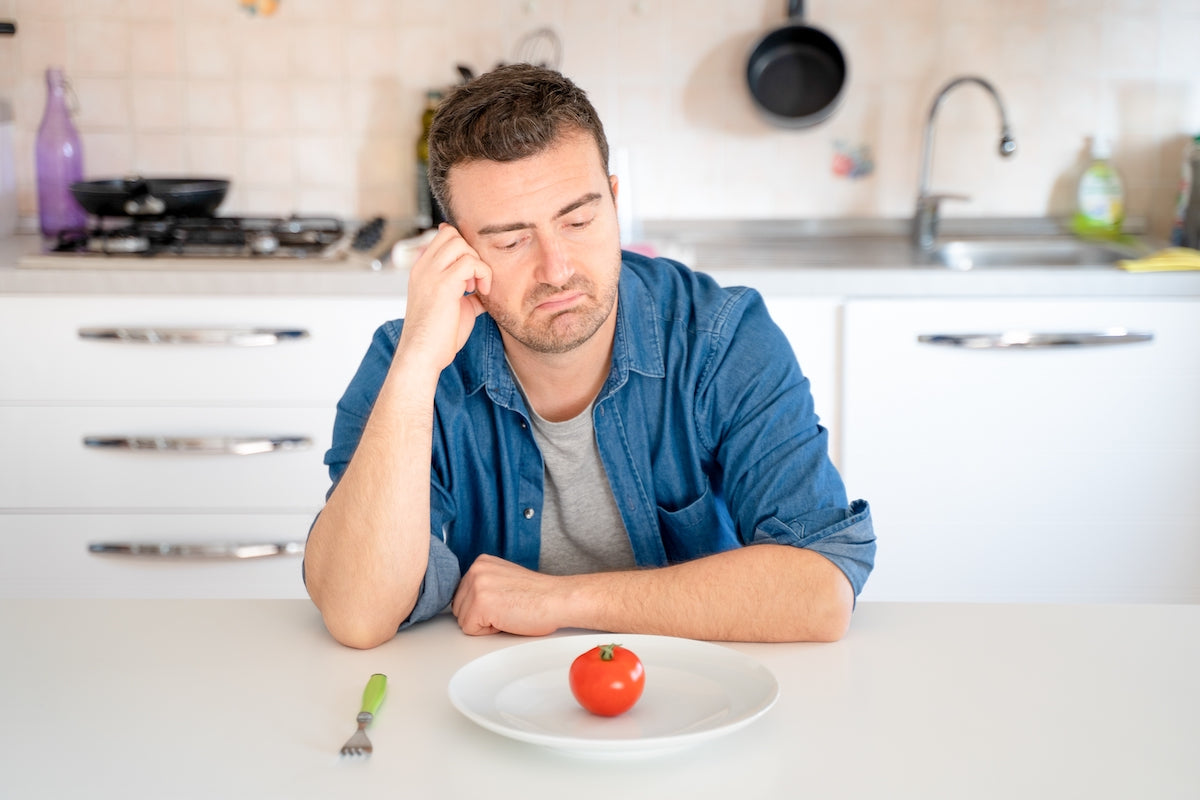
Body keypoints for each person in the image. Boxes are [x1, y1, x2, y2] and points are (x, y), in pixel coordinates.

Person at [303, 64, 874, 649]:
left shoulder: (720, 337)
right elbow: (357, 614)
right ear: (457, 247)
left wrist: (562, 600)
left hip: (694, 688)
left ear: (614, 200)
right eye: (510, 240)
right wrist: (417, 368)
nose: (558, 270)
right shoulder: (410, 358)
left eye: (578, 220)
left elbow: (820, 591)